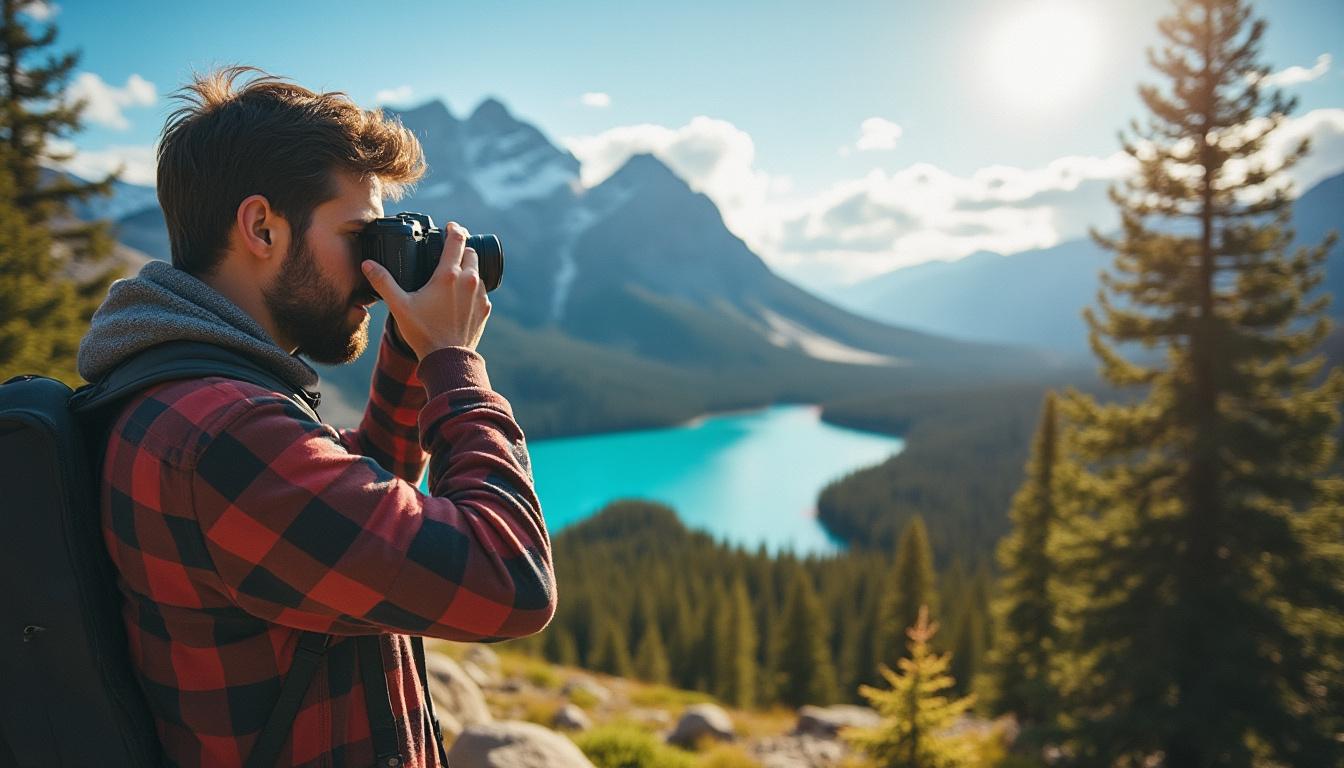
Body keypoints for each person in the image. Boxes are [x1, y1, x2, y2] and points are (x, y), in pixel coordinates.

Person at [74, 65, 555, 767]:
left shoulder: (176, 390)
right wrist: (453, 362)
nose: (370, 269)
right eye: (359, 236)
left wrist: (407, 337)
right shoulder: (226, 434)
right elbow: (509, 580)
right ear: (261, 228)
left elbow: (352, 504)